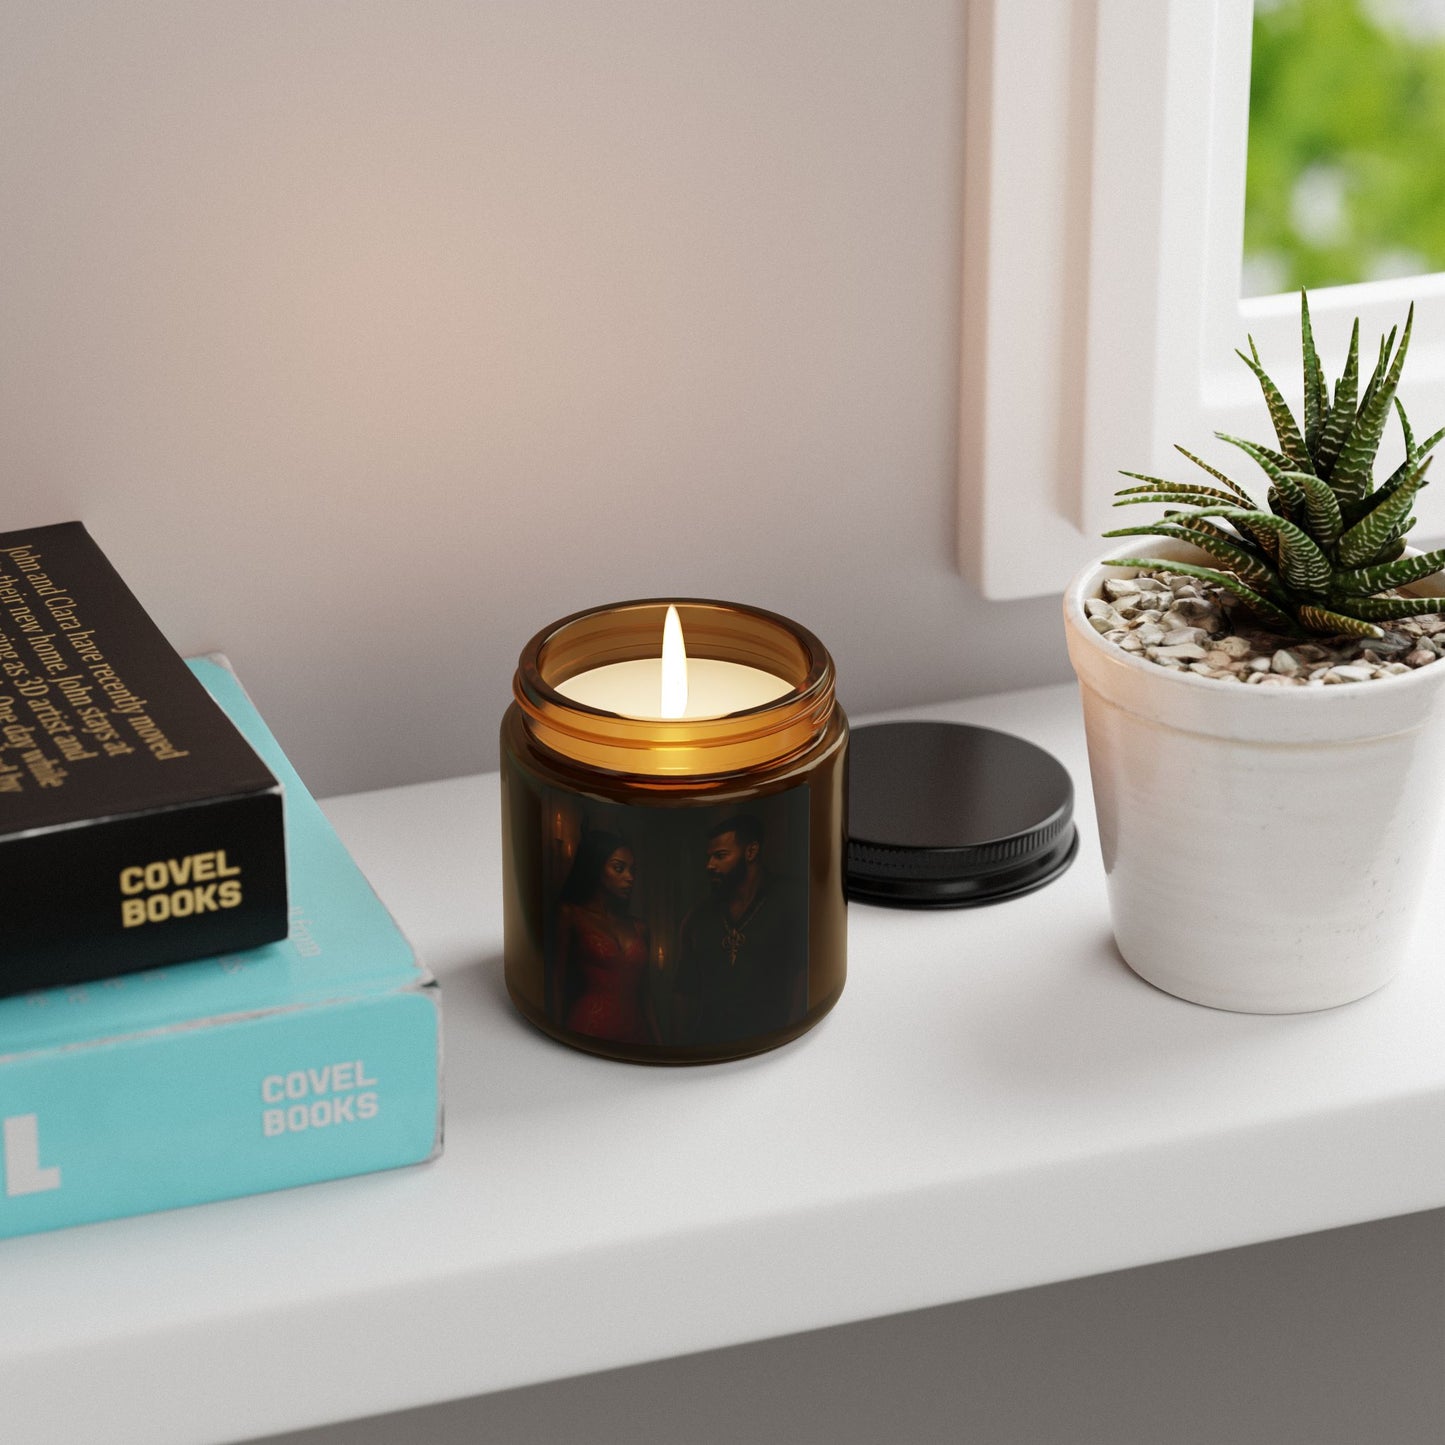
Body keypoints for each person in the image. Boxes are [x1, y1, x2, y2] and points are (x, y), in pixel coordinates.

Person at [672, 814, 807, 1047]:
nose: (710, 865)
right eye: (709, 857)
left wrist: (792, 1038)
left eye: (720, 856)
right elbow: (685, 991)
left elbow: (803, 974)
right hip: (708, 1045)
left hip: (774, 1043)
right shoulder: (699, 917)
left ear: (751, 851)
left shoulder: (791, 900)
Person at [553, 830, 655, 1045]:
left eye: (632, 870)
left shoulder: (640, 928)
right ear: (596, 868)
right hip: (588, 1029)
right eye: (619, 868)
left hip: (636, 1035)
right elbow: (557, 985)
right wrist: (556, 1039)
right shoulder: (571, 915)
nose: (630, 877)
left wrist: (660, 1042)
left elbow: (646, 996)